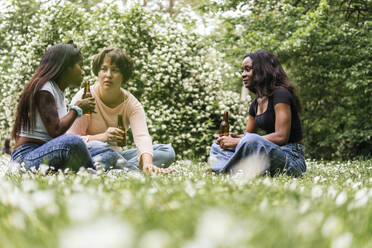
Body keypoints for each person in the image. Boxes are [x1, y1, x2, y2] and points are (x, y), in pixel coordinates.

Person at [68, 47, 175, 173]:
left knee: (167, 152)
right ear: (98, 72)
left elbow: (142, 136)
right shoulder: (85, 97)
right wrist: (103, 137)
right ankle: (129, 171)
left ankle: (120, 170)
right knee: (106, 152)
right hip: (90, 153)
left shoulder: (131, 104)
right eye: (104, 69)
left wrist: (148, 163)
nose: (108, 75)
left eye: (115, 70)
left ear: (123, 76)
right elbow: (71, 141)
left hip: (117, 155)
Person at [209, 49, 306, 177]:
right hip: (269, 154)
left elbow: (281, 137)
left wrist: (239, 141)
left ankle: (226, 170)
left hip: (291, 158)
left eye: (247, 69)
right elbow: (247, 138)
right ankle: (235, 168)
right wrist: (234, 138)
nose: (243, 74)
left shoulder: (281, 94)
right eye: (242, 70)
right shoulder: (255, 103)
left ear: (262, 70)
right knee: (217, 146)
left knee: (251, 141)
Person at [11, 42, 96, 171]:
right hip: (25, 158)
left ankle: (112, 169)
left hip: (46, 152)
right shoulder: (44, 88)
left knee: (100, 147)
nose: (83, 72)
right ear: (66, 66)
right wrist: (76, 109)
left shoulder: (58, 91)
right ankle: (93, 174)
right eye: (80, 65)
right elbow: (56, 131)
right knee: (73, 142)